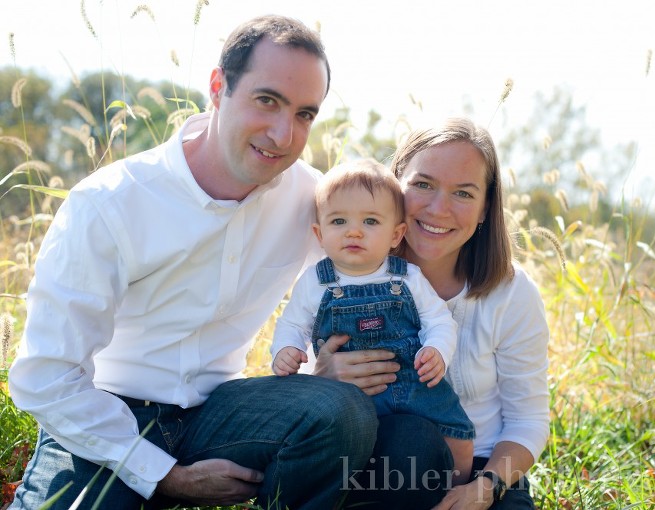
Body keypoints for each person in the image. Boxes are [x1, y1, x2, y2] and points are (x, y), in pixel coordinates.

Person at [8, 15, 378, 510]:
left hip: (221, 413)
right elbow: (45, 377)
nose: (282, 134)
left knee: (341, 411)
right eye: (267, 100)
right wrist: (166, 477)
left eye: (304, 114)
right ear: (218, 87)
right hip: (107, 418)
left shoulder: (315, 200)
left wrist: (322, 366)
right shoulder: (110, 203)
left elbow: (373, 281)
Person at [313, 118, 550, 509]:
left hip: (483, 470)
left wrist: (484, 488)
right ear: (395, 186)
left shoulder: (512, 293)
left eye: (463, 193)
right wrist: (322, 379)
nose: (439, 209)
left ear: (485, 209)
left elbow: (528, 420)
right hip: (381, 464)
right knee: (413, 439)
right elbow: (297, 380)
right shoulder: (344, 273)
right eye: (423, 184)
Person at [270, 159, 475, 484]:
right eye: (339, 221)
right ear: (319, 233)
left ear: (396, 234)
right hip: (349, 395)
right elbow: (292, 325)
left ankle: (457, 493)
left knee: (458, 435)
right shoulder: (315, 282)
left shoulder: (407, 277)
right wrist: (286, 349)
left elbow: (439, 321)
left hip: (415, 381)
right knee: (333, 444)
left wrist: (437, 350)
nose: (354, 231)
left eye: (370, 221)